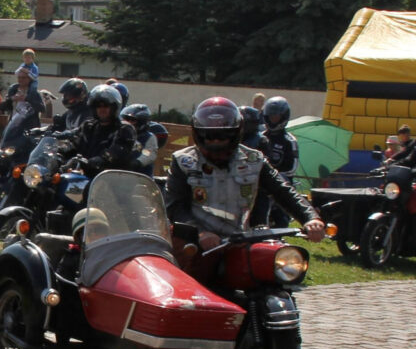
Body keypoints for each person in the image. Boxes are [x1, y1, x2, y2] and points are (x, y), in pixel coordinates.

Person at [165, 97, 324, 281]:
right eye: (209, 135)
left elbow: (282, 190)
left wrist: (310, 218)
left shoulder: (254, 160)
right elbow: (175, 206)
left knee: (271, 279)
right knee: (193, 289)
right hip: (195, 242)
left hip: (241, 240)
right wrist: (200, 232)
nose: (216, 141)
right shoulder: (184, 161)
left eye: (223, 135)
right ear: (198, 133)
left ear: (236, 133)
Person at [64, 84, 137, 178]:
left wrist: (97, 160)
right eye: (98, 106)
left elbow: (117, 151)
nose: (102, 109)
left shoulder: (124, 129)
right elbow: (74, 143)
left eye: (106, 106)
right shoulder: (88, 126)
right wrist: (59, 153)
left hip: (114, 180)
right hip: (89, 176)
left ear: (114, 107)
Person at [257, 96, 300, 227]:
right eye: (270, 117)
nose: (273, 120)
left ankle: (281, 227)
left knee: (282, 209)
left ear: (283, 117)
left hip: (282, 181)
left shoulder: (289, 141)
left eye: (276, 117)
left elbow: (292, 167)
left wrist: (275, 176)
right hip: (261, 180)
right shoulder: (261, 138)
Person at [119, 103, 159, 177]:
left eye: (132, 120)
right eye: (126, 119)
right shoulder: (120, 135)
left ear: (142, 122)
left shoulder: (149, 137)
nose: (128, 123)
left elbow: (149, 153)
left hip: (141, 179)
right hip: (117, 175)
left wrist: (137, 162)